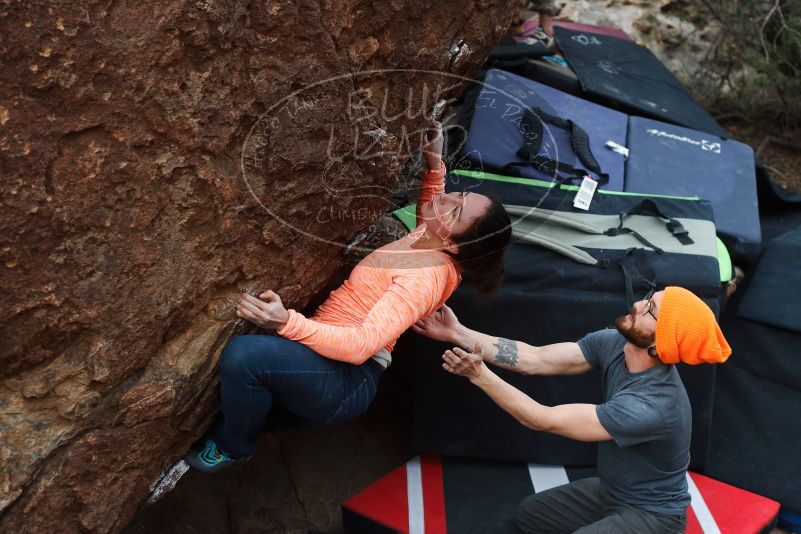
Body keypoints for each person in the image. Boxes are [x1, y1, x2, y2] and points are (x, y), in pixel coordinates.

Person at [185, 121, 512, 473]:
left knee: (246, 357)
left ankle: (234, 446)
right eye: (460, 194)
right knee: (247, 399)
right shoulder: (434, 240)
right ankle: (245, 426)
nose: (447, 200)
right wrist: (435, 166)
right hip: (329, 366)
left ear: (453, 242)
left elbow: (360, 345)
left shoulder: (425, 277)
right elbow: (428, 215)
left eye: (457, 209)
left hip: (342, 380)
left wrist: (286, 321)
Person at [413, 286, 731, 533]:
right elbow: (533, 359)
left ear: (660, 346)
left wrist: (479, 376)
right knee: (529, 517)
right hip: (612, 492)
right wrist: (457, 333)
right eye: (649, 298)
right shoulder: (615, 344)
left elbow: (542, 419)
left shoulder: (651, 407)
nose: (637, 304)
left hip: (654, 517)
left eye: (651, 310)